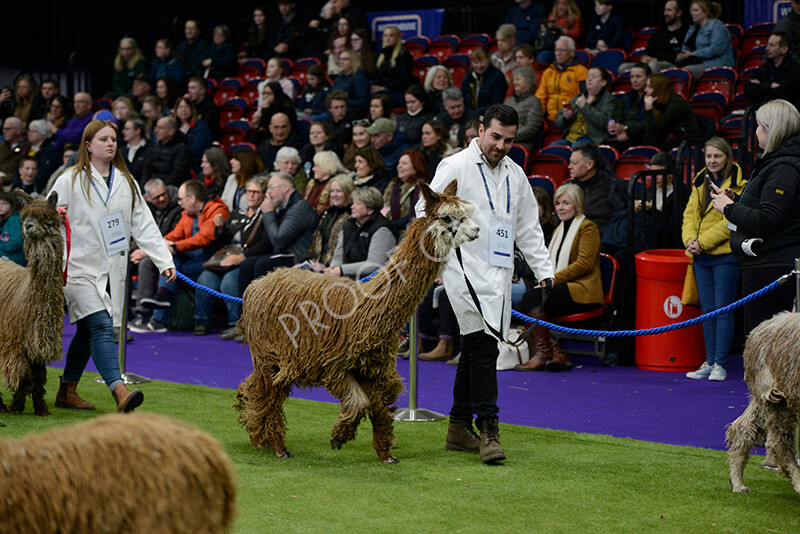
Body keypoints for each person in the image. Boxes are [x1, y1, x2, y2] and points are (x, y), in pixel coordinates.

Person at [415, 104, 554, 464]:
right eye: (495, 136)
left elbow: (527, 227)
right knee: (482, 346)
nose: (501, 145)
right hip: (463, 269)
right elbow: (423, 210)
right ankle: (489, 429)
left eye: (508, 140)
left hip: (500, 272)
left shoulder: (516, 174)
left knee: (479, 348)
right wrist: (445, 250)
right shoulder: (456, 165)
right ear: (479, 131)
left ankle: (459, 427)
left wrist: (544, 268)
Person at [52, 119, 175, 412]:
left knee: (87, 330)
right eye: (104, 139)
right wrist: (54, 215)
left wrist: (163, 261)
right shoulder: (68, 179)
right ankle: (119, 391)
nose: (110, 144)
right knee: (101, 325)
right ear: (88, 145)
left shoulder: (126, 181)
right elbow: (47, 213)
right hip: (77, 268)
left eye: (114, 139)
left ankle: (67, 390)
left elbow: (144, 224)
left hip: (113, 269)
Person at [712, 99, 800, 336]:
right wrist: (738, 198)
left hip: (772, 266)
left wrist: (729, 208)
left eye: (760, 126)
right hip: (769, 264)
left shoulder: (784, 166)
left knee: (764, 345)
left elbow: (769, 218)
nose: (756, 132)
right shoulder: (781, 161)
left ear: (772, 130)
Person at [514, 183, 603, 372]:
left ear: (577, 205)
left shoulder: (588, 228)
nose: (560, 208)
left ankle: (544, 353)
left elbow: (583, 265)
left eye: (566, 203)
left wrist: (551, 279)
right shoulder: (558, 230)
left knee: (530, 298)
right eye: (558, 203)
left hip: (581, 289)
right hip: (563, 287)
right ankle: (556, 352)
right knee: (524, 303)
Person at [682, 136, 746, 382]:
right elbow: (689, 215)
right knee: (707, 311)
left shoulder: (739, 183)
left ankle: (720, 363)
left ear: (727, 157)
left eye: (717, 156)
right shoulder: (700, 181)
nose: (712, 161)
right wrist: (690, 240)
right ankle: (710, 361)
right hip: (700, 257)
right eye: (708, 156)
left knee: (723, 310)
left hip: (725, 257)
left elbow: (729, 222)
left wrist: (703, 242)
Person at [137, 179, 229, 333]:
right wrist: (152, 249)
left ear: (192, 198)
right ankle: (160, 307)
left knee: (174, 265)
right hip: (191, 258)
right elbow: (174, 235)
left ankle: (160, 311)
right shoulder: (188, 213)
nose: (179, 203)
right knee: (169, 262)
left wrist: (176, 247)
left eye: (181, 199)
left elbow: (204, 238)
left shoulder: (217, 210)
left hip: (210, 260)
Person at [195, 176, 273, 338]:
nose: (251, 195)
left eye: (256, 192)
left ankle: (236, 324)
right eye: (249, 191)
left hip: (247, 259)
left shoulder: (266, 215)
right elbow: (223, 240)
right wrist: (220, 228)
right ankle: (201, 321)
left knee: (229, 282)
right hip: (226, 257)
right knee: (205, 279)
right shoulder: (237, 212)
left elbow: (266, 243)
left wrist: (243, 256)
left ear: (264, 195)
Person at [236, 171, 318, 300]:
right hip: (283, 254)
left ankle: (262, 314)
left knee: (262, 265)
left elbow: (278, 240)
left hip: (297, 259)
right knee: (247, 264)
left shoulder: (300, 207)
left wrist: (268, 212)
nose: (267, 192)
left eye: (271, 187)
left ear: (285, 188)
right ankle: (245, 315)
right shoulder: (282, 207)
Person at [127, 178, 183, 330]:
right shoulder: (148, 209)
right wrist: (135, 250)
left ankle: (145, 316)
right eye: (157, 197)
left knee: (146, 263)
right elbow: (141, 232)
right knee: (124, 262)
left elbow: (172, 238)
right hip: (150, 251)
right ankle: (124, 314)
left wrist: (145, 252)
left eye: (163, 194)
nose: (162, 199)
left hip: (172, 253)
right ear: (148, 199)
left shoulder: (178, 209)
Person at [326, 186, 397, 279]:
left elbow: (374, 265)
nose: (352, 207)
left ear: (370, 209)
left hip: (372, 282)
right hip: (347, 278)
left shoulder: (383, 230)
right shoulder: (349, 224)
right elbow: (338, 255)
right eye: (353, 203)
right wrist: (332, 269)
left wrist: (341, 270)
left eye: (358, 204)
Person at [567, 142, 627, 235]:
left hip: (605, 239)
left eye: (574, 163)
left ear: (589, 165)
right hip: (574, 237)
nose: (569, 166)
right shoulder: (568, 188)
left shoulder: (612, 185)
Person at [634, 151, 690, 249]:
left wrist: (651, 210)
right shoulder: (649, 191)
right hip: (646, 239)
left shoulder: (681, 193)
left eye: (659, 173)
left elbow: (674, 228)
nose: (655, 178)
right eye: (652, 173)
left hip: (667, 244)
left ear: (670, 174)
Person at [301, 173, 354, 271]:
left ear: (348, 193)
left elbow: (348, 252)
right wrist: (305, 261)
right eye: (332, 191)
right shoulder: (327, 214)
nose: (334, 195)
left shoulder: (352, 217)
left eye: (338, 191)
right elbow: (314, 242)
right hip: (317, 264)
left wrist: (328, 268)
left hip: (336, 269)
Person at [619, 0, 688, 73]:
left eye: (669, 10)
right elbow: (649, 51)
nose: (665, 13)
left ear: (678, 13)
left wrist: (657, 59)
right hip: (652, 62)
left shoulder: (686, 32)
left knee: (653, 65)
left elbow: (679, 55)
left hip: (671, 64)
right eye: (665, 10)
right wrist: (646, 58)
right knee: (623, 67)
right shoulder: (659, 32)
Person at [554, 66, 616, 146]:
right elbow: (558, 122)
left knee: (577, 147)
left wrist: (584, 106)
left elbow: (604, 122)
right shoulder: (578, 97)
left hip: (591, 139)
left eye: (594, 77)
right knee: (553, 147)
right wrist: (565, 117)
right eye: (588, 77)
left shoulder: (608, 99)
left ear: (603, 82)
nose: (589, 79)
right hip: (569, 138)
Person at [637, 73, 700, 149]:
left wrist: (648, 109)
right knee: (646, 137)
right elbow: (647, 126)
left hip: (686, 138)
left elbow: (653, 128)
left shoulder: (676, 104)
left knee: (651, 138)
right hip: (670, 134)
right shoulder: (659, 100)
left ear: (659, 88)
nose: (645, 90)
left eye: (649, 87)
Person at [676, 0, 735, 78]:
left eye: (696, 10)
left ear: (705, 12)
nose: (692, 13)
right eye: (691, 11)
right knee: (671, 71)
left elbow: (716, 49)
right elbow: (685, 47)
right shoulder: (692, 29)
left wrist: (693, 54)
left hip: (713, 64)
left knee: (683, 72)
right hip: (695, 62)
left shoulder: (717, 25)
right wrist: (682, 55)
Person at [535, 36, 588, 122]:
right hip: (549, 119)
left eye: (562, 50)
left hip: (571, 118)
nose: (558, 53)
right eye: (556, 50)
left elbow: (583, 98)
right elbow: (540, 97)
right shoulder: (548, 72)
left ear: (572, 53)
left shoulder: (581, 72)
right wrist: (537, 116)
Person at [743, 32, 800, 109]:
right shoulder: (764, 68)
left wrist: (761, 87)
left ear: (784, 49)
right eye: (768, 44)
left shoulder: (795, 69)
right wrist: (770, 85)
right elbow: (748, 90)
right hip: (761, 112)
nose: (767, 48)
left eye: (772, 45)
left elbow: (783, 94)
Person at [384, 149, 430, 233]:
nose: (399, 166)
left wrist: (391, 225)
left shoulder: (422, 188)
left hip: (409, 232)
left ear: (416, 166)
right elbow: (385, 208)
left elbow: (416, 214)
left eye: (404, 163)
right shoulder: (393, 186)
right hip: (390, 229)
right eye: (399, 163)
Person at [607, 63, 651, 148]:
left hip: (639, 136)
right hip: (623, 134)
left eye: (638, 76)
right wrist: (618, 129)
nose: (634, 80)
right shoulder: (629, 96)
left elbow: (648, 123)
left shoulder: (652, 96)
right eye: (632, 77)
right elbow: (616, 115)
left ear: (648, 78)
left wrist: (626, 129)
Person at [371, 26, 415, 106]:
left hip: (398, 91)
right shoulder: (382, 55)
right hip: (383, 90)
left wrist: (385, 88)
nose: (387, 38)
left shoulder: (404, 55)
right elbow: (378, 77)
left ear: (397, 38)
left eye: (391, 36)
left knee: (376, 100)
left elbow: (404, 79)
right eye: (385, 36)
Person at [140, 116, 190, 186]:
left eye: (160, 128)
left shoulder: (182, 149)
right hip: (150, 188)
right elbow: (145, 172)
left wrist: (159, 189)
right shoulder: (153, 148)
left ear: (171, 131)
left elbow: (177, 175)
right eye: (156, 127)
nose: (155, 131)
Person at [503, 67, 543, 153]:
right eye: (513, 80)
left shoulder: (534, 102)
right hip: (503, 140)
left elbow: (531, 128)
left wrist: (509, 136)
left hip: (522, 143)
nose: (514, 82)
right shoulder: (508, 101)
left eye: (518, 79)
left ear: (528, 81)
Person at [250, 81, 299, 146]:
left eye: (269, 94)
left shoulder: (286, 107)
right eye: (264, 93)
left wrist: (266, 110)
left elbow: (267, 125)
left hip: (286, 135)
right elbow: (263, 126)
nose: (266, 96)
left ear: (276, 94)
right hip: (272, 132)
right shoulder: (269, 105)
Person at [462, 48, 508, 115]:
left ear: (488, 60)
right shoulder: (468, 77)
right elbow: (463, 99)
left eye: (481, 62)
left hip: (490, 115)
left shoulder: (498, 76)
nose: (479, 66)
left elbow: (497, 103)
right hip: (471, 116)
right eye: (475, 62)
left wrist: (476, 113)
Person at [173, 96, 213, 173]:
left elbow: (198, 150)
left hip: (194, 166)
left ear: (192, 109)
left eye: (186, 107)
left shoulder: (200, 126)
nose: (183, 110)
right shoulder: (173, 127)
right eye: (180, 107)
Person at [305, 150, 349, 214]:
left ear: (326, 166)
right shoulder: (312, 183)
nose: (313, 169)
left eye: (316, 166)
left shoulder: (336, 184)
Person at [222, 147, 265, 212]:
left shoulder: (259, 182)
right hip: (231, 219)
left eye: (236, 159)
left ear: (245, 162)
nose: (231, 161)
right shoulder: (232, 178)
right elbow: (223, 202)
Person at [330, 49, 370, 116]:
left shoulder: (360, 78)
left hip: (351, 113)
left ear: (352, 61)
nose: (341, 62)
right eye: (340, 59)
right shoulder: (339, 78)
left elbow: (362, 102)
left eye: (344, 59)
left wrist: (342, 103)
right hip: (334, 113)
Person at [25, 119, 60, 191]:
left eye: (33, 131)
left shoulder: (50, 151)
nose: (29, 133)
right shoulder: (27, 147)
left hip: (38, 188)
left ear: (43, 134)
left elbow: (44, 174)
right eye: (29, 131)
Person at [0, 117, 29, 183]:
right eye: (3, 129)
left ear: (18, 131)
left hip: (13, 184)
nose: (4, 132)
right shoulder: (2, 145)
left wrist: (3, 179)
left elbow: (22, 172)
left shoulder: (27, 147)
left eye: (7, 129)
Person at [0, 191, 24, 266]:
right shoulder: (5, 219)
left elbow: (16, 243)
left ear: (12, 205)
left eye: (5, 204)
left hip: (14, 259)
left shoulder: (14, 219)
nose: (0, 206)